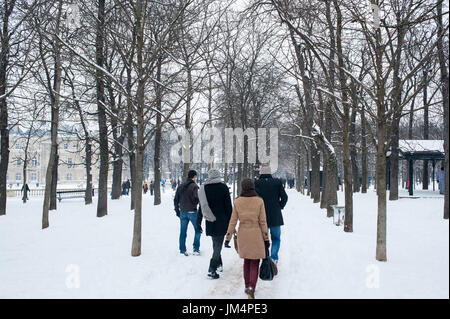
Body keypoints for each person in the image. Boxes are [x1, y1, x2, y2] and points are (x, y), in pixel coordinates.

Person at [225, 178, 270, 299]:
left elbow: (233, 221)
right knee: (255, 261)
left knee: (246, 261)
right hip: (256, 234)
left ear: (242, 187)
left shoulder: (237, 201)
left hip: (243, 233)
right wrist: (266, 238)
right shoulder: (259, 201)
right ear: (253, 187)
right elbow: (263, 221)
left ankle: (246, 286)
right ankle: (251, 287)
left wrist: (228, 237)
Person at [197, 169, 232, 279]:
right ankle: (212, 268)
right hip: (222, 220)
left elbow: (201, 207)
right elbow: (228, 206)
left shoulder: (204, 188)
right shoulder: (223, 188)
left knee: (216, 243)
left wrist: (198, 221)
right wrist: (231, 221)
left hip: (210, 220)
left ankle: (219, 264)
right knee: (218, 245)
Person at [255, 164, 288, 264]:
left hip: (261, 215)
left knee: (261, 238)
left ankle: (264, 256)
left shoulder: (256, 183)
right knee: (276, 238)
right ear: (270, 173)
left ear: (261, 173)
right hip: (275, 215)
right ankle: (274, 258)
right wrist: (280, 206)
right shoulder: (277, 182)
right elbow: (284, 197)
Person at [174, 170, 201, 256]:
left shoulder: (180, 186)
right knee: (198, 230)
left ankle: (182, 249)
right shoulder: (194, 186)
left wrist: (177, 210)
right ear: (194, 176)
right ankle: (196, 249)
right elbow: (197, 199)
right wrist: (194, 204)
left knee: (183, 231)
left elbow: (176, 199)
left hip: (183, 212)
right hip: (192, 211)